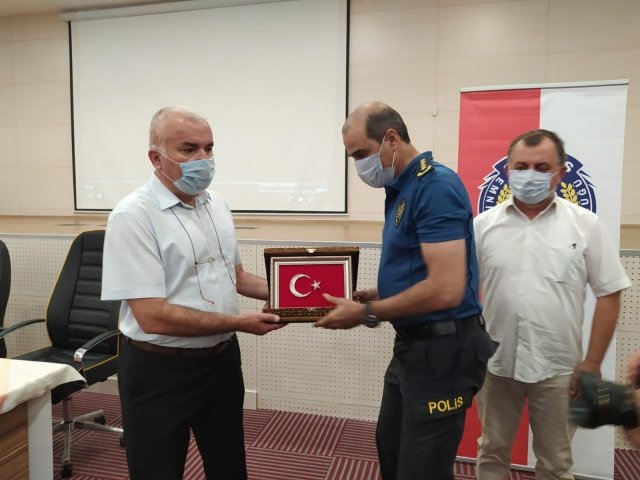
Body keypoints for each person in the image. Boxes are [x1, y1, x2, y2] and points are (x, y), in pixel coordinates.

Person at [315, 101, 496, 479]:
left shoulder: (435, 186)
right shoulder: (404, 187)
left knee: (423, 468)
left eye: (361, 154)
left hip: (444, 352)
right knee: (392, 450)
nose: (359, 166)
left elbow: (446, 289)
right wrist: (382, 293)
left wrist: (365, 314)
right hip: (413, 346)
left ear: (391, 139)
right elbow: (423, 269)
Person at [101, 106, 285, 480]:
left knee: (228, 464)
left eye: (209, 147)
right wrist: (239, 322)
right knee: (157, 469)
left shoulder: (217, 205)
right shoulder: (133, 216)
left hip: (221, 361)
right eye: (189, 149)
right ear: (156, 158)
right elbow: (151, 315)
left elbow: (237, 277)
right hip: (159, 368)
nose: (204, 158)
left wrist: (297, 294)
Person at [473, 129, 632, 480]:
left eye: (542, 167)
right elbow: (462, 290)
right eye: (521, 166)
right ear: (508, 170)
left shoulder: (586, 225)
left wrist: (591, 363)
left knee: (556, 463)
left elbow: (609, 293)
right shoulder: (482, 226)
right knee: (492, 450)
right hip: (496, 363)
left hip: (560, 368)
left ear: (560, 173)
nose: (530, 174)